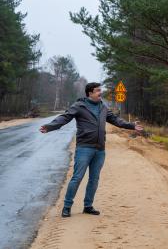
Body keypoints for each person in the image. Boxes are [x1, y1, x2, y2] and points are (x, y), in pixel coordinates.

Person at [39, 82, 143, 218]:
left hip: (100, 149)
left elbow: (116, 120)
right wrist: (50, 126)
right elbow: (65, 117)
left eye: (101, 90)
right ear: (90, 93)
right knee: (77, 178)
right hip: (84, 148)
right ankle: (67, 206)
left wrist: (131, 126)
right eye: (98, 90)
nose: (101, 92)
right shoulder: (79, 106)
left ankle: (88, 206)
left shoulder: (103, 107)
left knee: (94, 179)